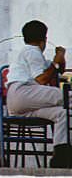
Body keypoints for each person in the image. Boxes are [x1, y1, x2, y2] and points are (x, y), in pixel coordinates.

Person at [6, 20, 69, 168]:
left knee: (62, 113)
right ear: (44, 40)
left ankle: (61, 155)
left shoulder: (30, 54)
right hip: (23, 92)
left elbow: (57, 70)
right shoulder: (32, 51)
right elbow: (41, 79)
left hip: (20, 104)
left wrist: (60, 59)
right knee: (65, 96)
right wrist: (55, 63)